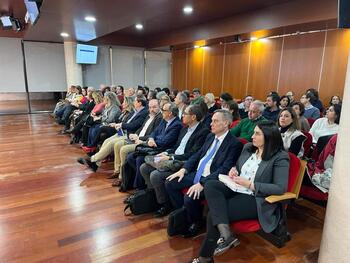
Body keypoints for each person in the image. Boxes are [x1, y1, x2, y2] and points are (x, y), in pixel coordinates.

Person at [189, 121, 289, 262]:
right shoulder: (248, 148)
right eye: (254, 132)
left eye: (257, 134)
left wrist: (250, 184)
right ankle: (227, 236)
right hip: (237, 187)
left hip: (256, 197)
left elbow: (280, 188)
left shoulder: (280, 157)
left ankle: (205, 258)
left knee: (213, 215)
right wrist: (234, 170)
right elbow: (238, 166)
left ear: (269, 137)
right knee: (210, 184)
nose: (252, 136)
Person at [165, 110, 243, 238]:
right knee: (170, 183)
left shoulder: (234, 143)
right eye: (211, 120)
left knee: (190, 196)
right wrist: (183, 170)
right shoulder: (210, 136)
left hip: (211, 179)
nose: (211, 124)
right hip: (198, 172)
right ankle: (184, 213)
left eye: (215, 121)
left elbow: (224, 169)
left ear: (226, 123)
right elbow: (198, 155)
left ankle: (196, 222)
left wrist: (202, 183)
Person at [139, 105, 210, 217]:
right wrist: (167, 153)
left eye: (185, 113)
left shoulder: (203, 132)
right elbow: (177, 146)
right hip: (172, 156)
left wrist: (171, 157)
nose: (182, 116)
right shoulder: (185, 128)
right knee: (144, 167)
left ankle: (165, 204)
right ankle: (155, 197)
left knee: (156, 175)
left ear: (193, 117)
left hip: (182, 162)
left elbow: (193, 154)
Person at [126, 102, 183, 189]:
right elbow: (154, 132)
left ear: (170, 113)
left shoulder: (177, 124)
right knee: (130, 156)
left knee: (139, 159)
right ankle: (143, 182)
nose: (161, 112)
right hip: (153, 147)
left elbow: (165, 141)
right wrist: (151, 139)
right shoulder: (164, 120)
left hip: (162, 150)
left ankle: (139, 187)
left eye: (163, 110)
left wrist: (153, 140)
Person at [110, 99, 163, 186]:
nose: (152, 109)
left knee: (123, 149)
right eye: (150, 107)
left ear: (159, 107)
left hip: (143, 142)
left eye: (154, 107)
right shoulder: (149, 115)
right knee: (117, 144)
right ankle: (118, 171)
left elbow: (153, 134)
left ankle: (122, 177)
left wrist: (139, 138)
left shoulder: (159, 118)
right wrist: (135, 134)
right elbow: (141, 128)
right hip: (137, 138)